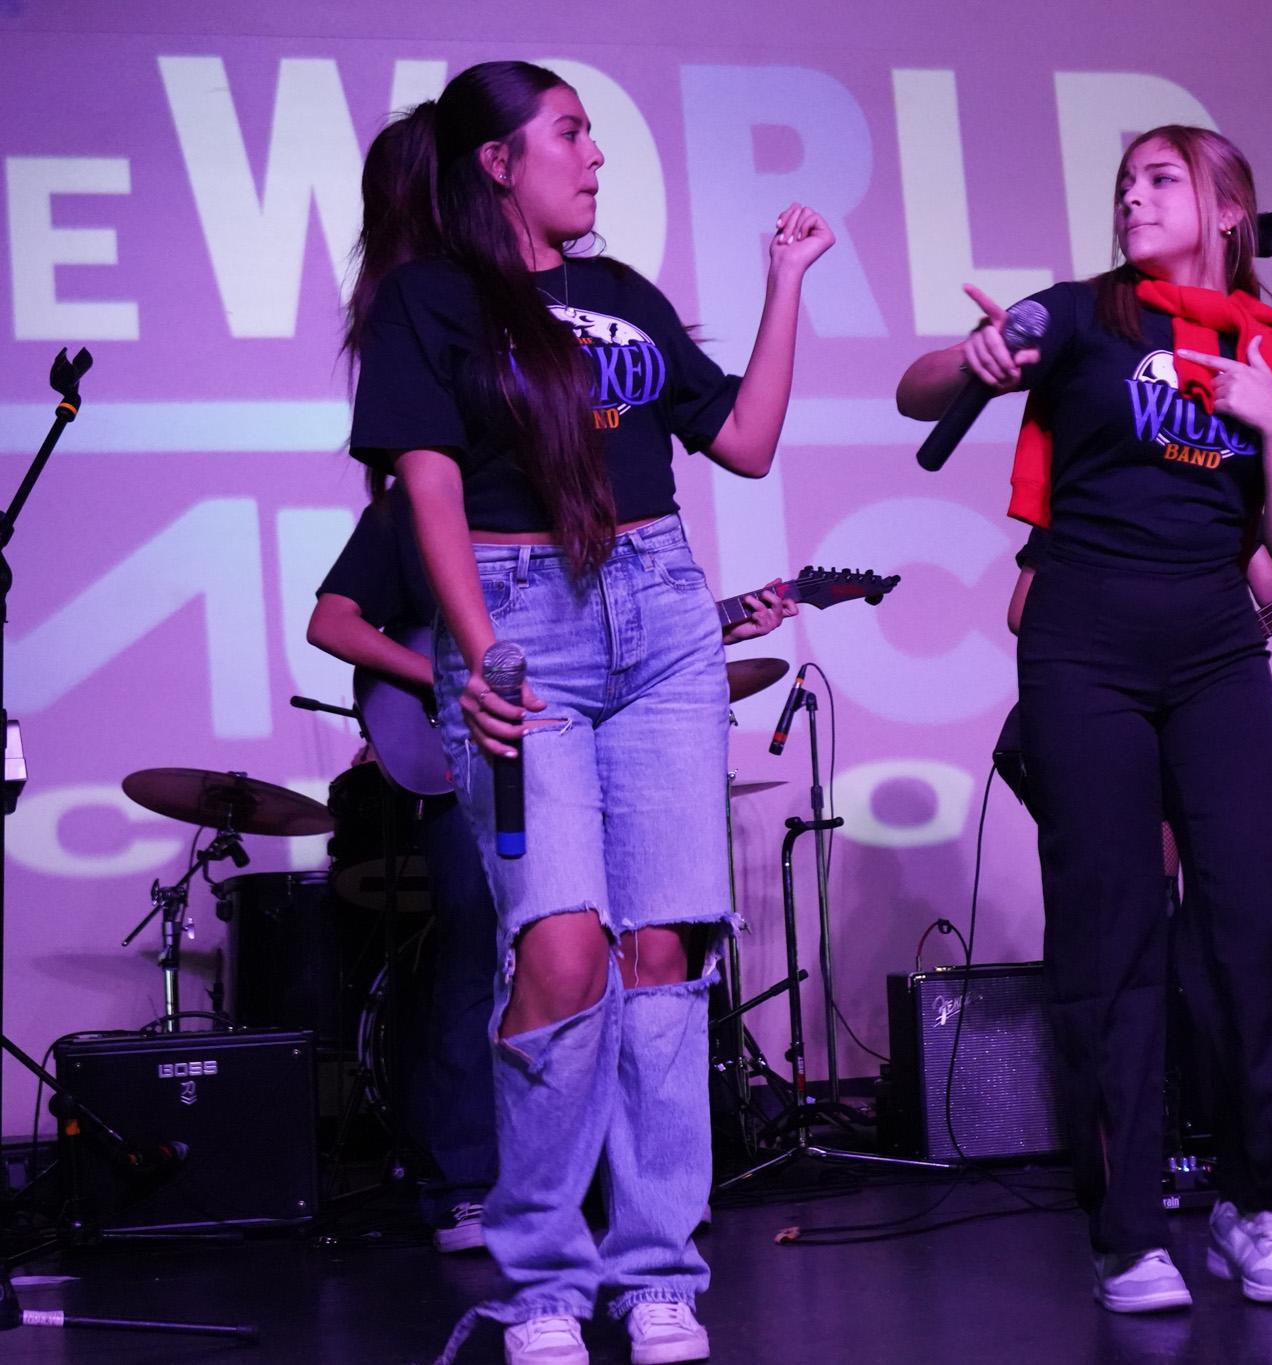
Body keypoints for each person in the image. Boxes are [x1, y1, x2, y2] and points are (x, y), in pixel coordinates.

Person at [343, 61, 830, 1365]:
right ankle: (544, 1280)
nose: (598, 157)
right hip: (519, 624)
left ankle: (658, 1269)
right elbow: (427, 489)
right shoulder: (432, 302)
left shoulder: (620, 297)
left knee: (660, 956)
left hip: (663, 612)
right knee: (559, 954)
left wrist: (786, 287)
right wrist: (485, 649)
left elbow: (744, 442)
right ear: (498, 159)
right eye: (570, 133)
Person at [900, 125, 1272, 1313]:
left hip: (1212, 652)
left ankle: (1254, 1210)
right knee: (1111, 934)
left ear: (1228, 210)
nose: (1134, 196)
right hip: (1083, 643)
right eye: (1126, 182)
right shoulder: (1082, 314)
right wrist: (976, 358)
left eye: (1162, 179)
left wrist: (1270, 422)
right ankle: (1130, 1231)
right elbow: (920, 389)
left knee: (1252, 920)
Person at [306, 482, 794, 1256]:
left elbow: (602, 648)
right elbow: (330, 620)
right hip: (469, 734)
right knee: (480, 956)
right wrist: (450, 668)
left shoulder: (582, 493)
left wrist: (711, 626)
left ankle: (628, 1196)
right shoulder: (409, 505)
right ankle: (466, 1188)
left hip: (568, 733)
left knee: (626, 948)